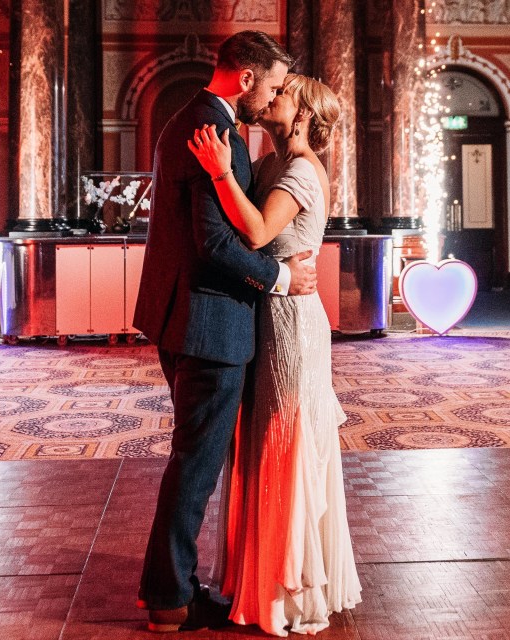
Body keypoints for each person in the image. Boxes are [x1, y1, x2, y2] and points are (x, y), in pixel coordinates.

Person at [132, 31, 318, 633]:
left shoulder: (191, 117)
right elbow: (215, 243)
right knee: (196, 464)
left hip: (181, 315)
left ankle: (172, 586)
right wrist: (282, 278)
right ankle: (169, 599)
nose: (270, 97)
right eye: (269, 85)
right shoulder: (218, 134)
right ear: (245, 78)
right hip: (210, 320)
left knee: (194, 459)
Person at [188, 73, 362, 636]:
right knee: (259, 439)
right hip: (263, 312)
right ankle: (255, 576)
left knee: (283, 437)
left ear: (304, 113)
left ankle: (286, 590)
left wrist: (218, 172)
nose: (271, 96)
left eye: (283, 92)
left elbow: (259, 232)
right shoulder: (264, 167)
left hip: (291, 323)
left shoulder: (302, 170)